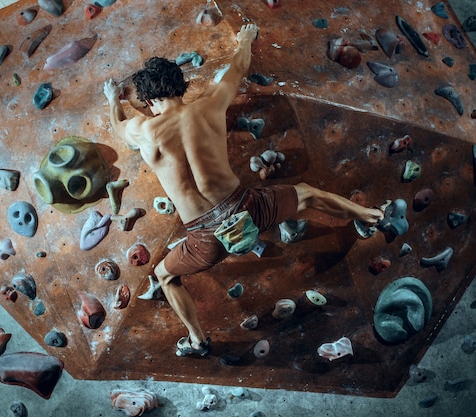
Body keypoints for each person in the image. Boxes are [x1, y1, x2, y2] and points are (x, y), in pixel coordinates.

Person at [103, 24, 383, 358]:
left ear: (149, 101)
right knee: (307, 193)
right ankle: (369, 215)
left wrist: (112, 100)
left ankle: (197, 340)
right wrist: (245, 39)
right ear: (182, 87)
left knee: (165, 275)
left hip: (204, 241)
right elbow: (238, 68)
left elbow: (119, 127)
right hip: (247, 208)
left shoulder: (143, 130)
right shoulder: (208, 105)